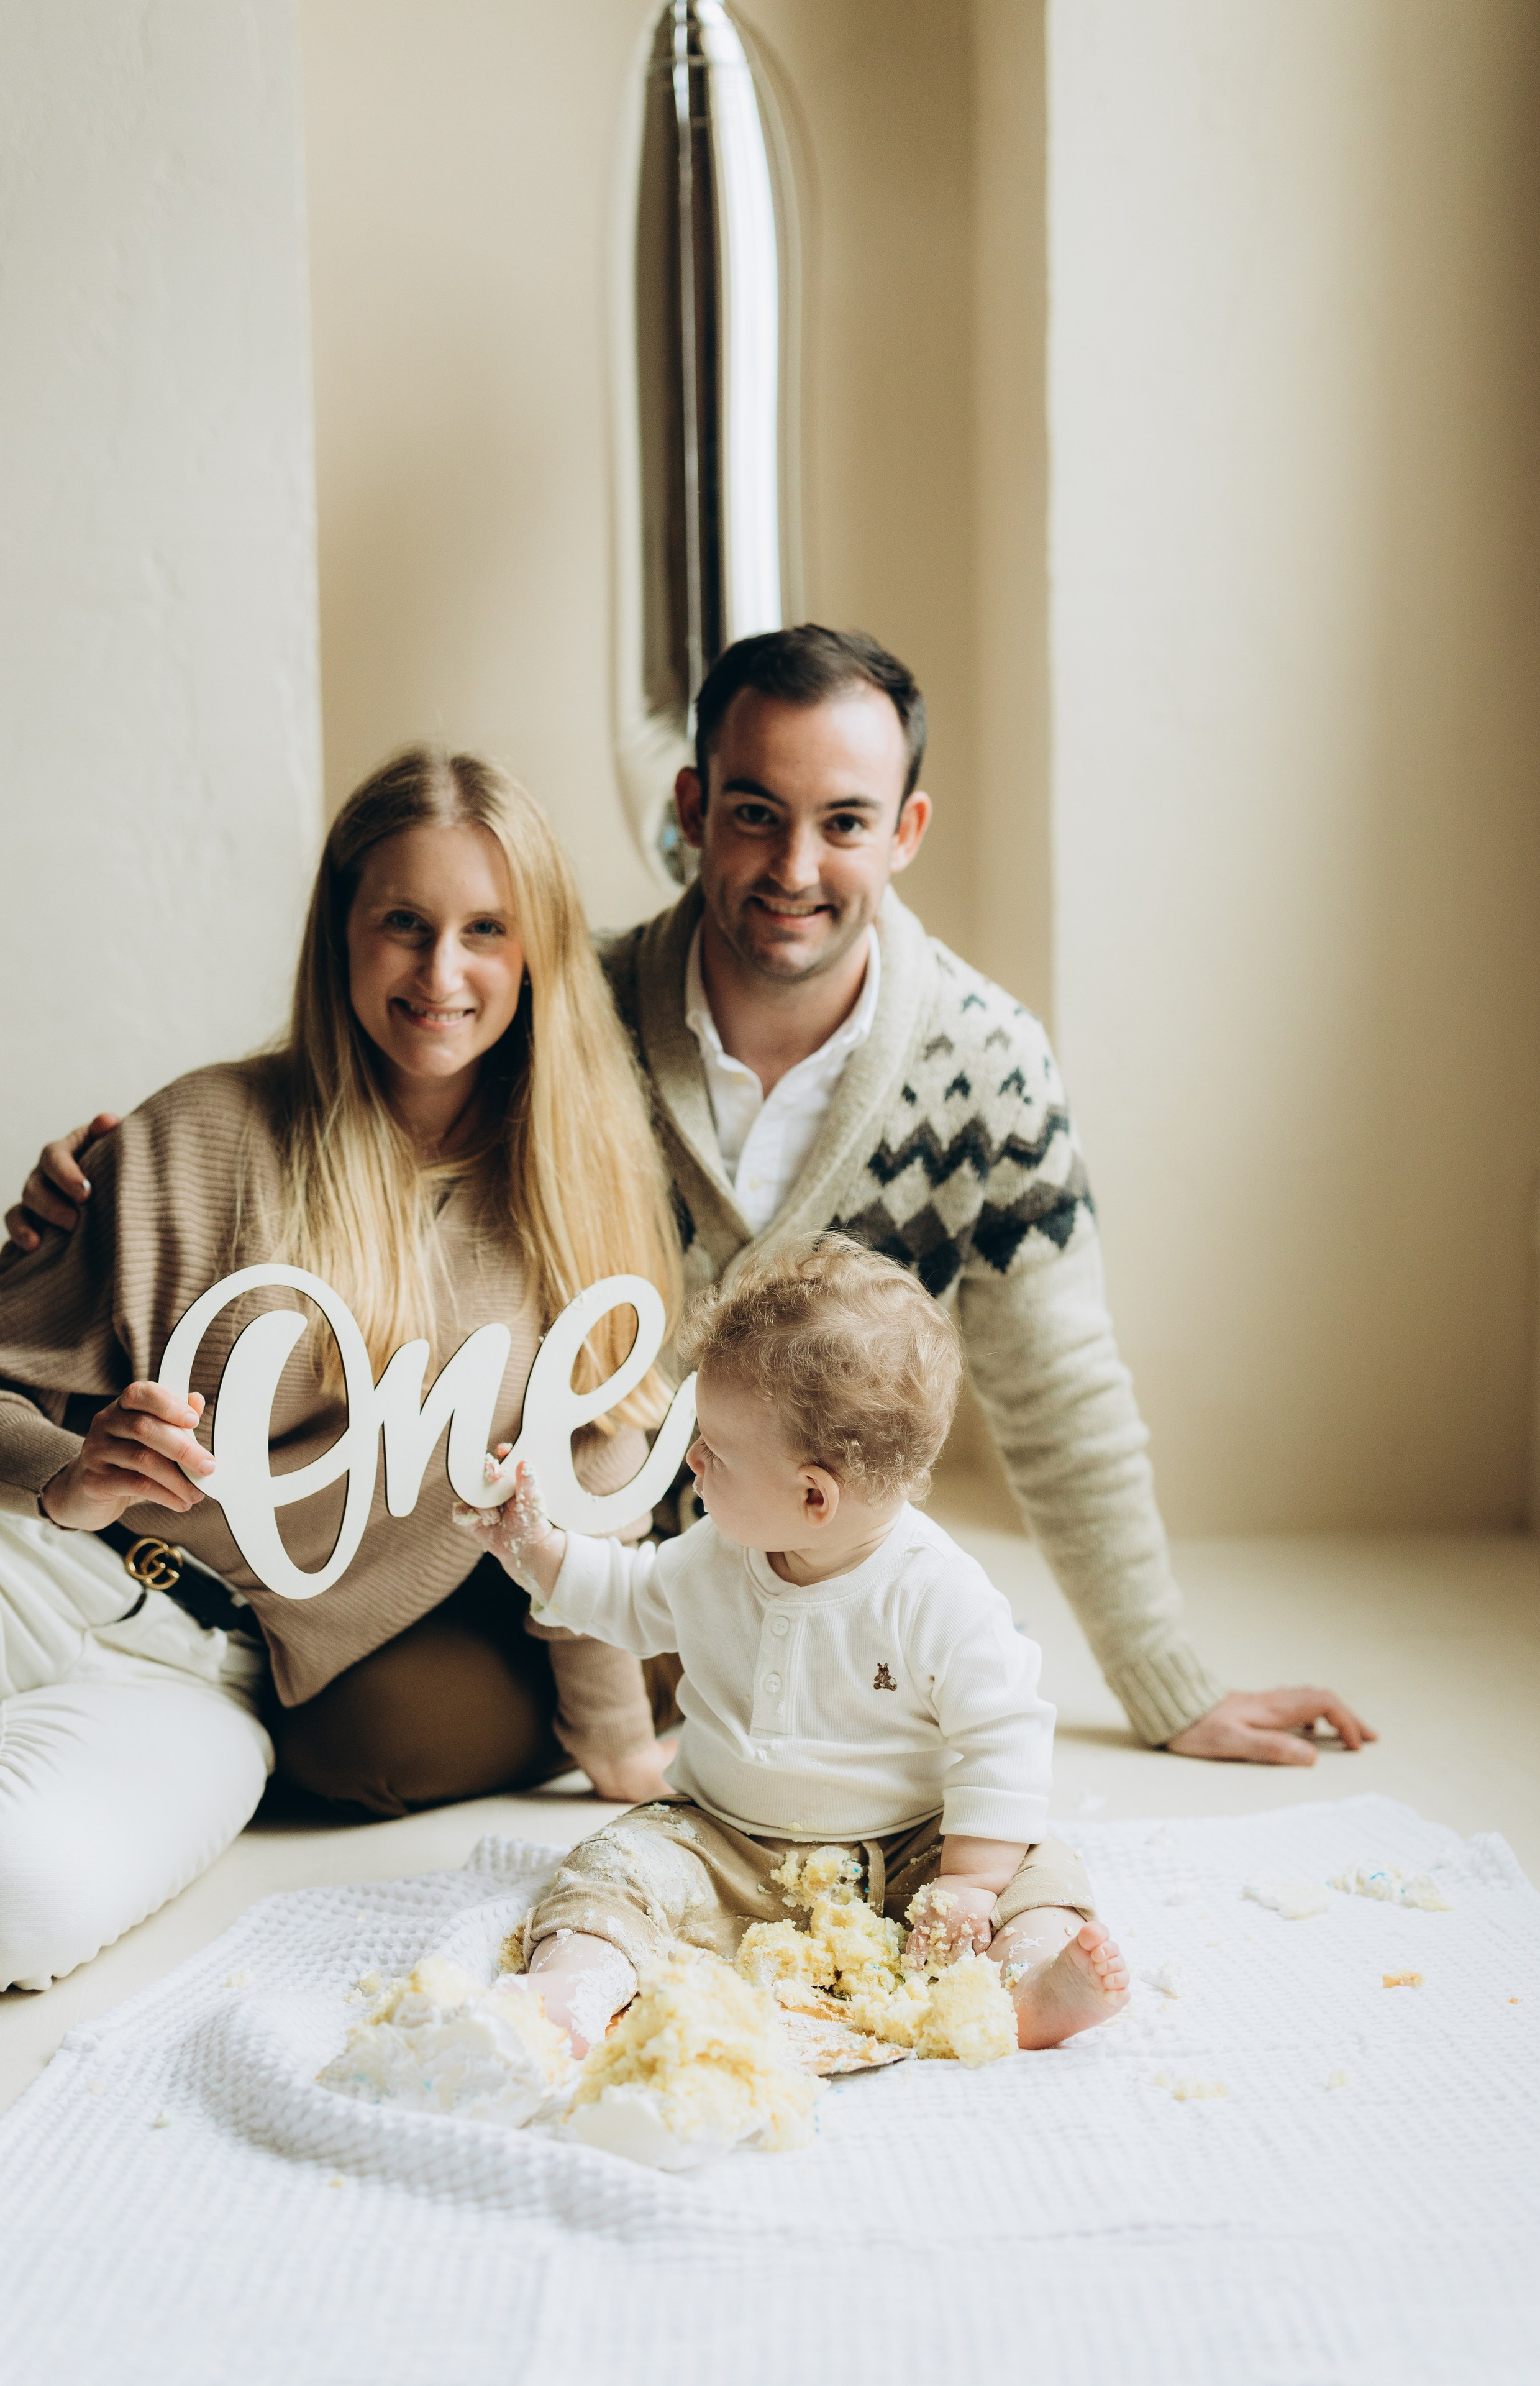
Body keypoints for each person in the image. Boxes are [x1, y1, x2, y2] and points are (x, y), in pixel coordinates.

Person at [9, 626, 1371, 1766]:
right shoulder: (555, 1016)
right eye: (752, 814)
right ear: (687, 815)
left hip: (789, 1573)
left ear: (903, 832)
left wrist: (1166, 1684)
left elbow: (1061, 1394)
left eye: (842, 824)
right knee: (363, 1741)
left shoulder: (985, 1068)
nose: (792, 868)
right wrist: (111, 1184)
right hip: (531, 1570)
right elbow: (355, 1137)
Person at [0, 747, 679, 1994]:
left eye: (486, 930)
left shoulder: (576, 1207)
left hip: (214, 1680)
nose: (440, 973)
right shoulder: (203, 1133)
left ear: (535, 956)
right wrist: (65, 1475)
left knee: (26, 1904)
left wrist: (627, 1761)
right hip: (39, 1572)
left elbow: (588, 1495)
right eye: (403, 926)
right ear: (342, 937)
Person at [458, 1235, 1130, 2054]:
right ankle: (576, 1986)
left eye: (717, 1451)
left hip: (910, 1851)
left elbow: (1003, 1737)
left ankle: (1028, 1982)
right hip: (728, 1842)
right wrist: (539, 1553)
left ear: (815, 1495)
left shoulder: (937, 1594)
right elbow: (631, 1597)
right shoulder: (715, 1554)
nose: (694, 1460)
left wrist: (970, 1880)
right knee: (614, 1867)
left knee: (1040, 1870)